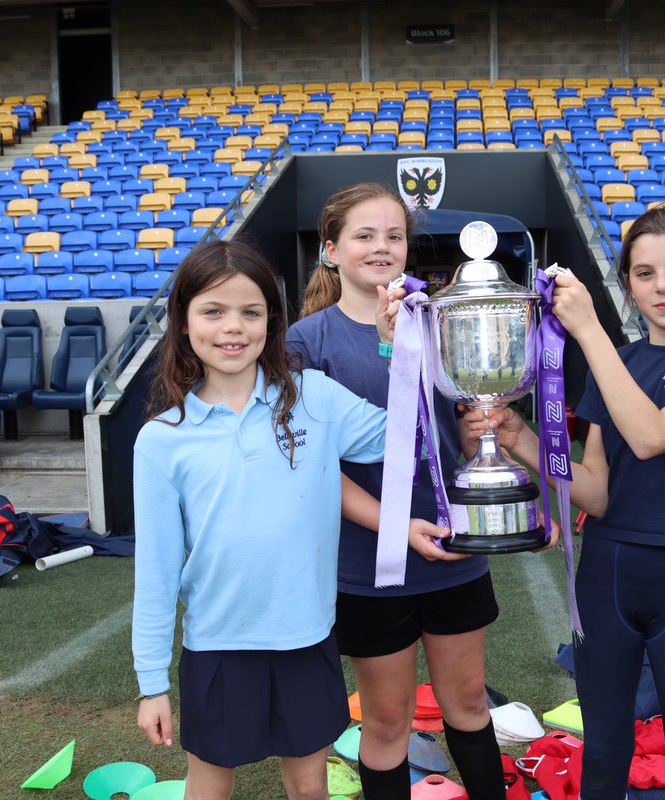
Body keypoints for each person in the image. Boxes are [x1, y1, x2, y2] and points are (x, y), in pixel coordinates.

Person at [467, 203, 665, 800]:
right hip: (606, 570)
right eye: (646, 273)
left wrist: (590, 330)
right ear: (627, 282)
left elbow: (652, 436)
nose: (664, 286)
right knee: (602, 752)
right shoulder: (617, 363)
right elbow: (597, 492)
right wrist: (519, 436)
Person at [131, 239, 391, 800]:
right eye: (213, 311)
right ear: (182, 322)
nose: (233, 328)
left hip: (307, 636)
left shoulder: (314, 397)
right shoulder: (161, 440)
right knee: (210, 783)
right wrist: (152, 684)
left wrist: (395, 351)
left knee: (308, 785)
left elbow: (405, 435)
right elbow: (154, 571)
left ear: (271, 322)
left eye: (251, 312)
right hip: (218, 645)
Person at [288, 182, 519, 800]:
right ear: (331, 250)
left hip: (452, 553)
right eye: (364, 235)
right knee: (387, 721)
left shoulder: (443, 318)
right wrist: (395, 525)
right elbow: (309, 466)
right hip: (370, 566)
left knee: (469, 704)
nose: (382, 247)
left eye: (394, 235)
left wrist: (478, 438)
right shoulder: (304, 343)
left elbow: (453, 443)